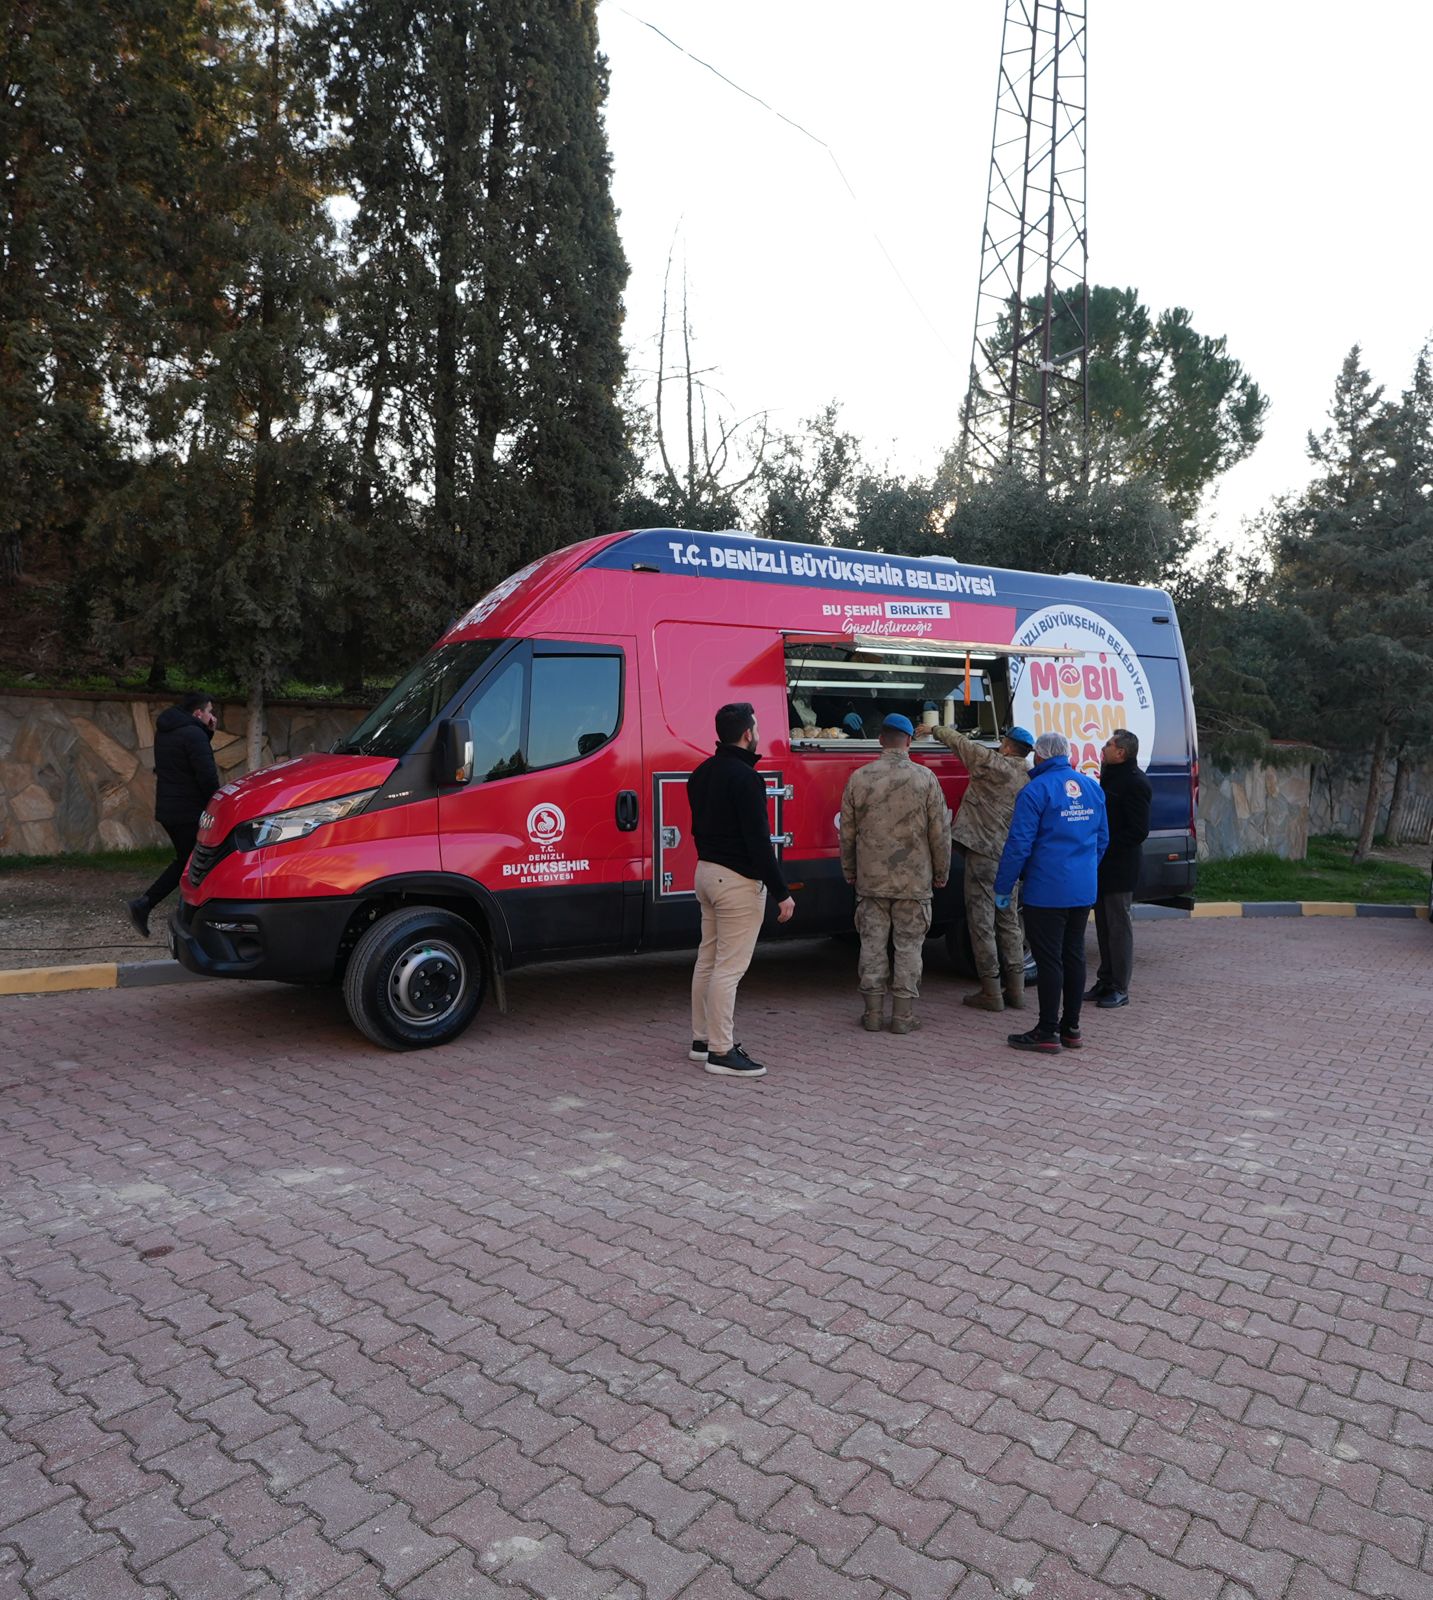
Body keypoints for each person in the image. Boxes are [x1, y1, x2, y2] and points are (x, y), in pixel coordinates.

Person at [687, 703, 796, 1078]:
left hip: (705, 873)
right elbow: (758, 843)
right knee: (729, 969)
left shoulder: (700, 773)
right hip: (737, 882)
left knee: (708, 959)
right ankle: (721, 1050)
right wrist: (782, 891)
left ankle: (701, 1041)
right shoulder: (747, 778)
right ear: (748, 733)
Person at [993, 730, 1107, 1053]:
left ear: (1040, 757)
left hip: (1046, 891)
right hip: (1082, 890)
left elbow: (1018, 846)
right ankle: (1071, 1028)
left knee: (1049, 961)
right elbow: (1102, 839)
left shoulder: (1035, 791)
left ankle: (1046, 1030)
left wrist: (1004, 886)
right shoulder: (1091, 788)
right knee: (1074, 955)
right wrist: (1083, 870)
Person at [840, 713, 952, 1034]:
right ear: (909, 741)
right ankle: (903, 1016)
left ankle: (873, 1013)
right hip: (913, 882)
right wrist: (941, 872)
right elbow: (939, 832)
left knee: (872, 945)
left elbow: (847, 833)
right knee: (908, 947)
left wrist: (850, 869)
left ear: (880, 740)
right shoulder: (925, 779)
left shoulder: (859, 778)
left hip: (871, 881)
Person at [933, 721, 1033, 1011]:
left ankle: (991, 991)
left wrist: (935, 729)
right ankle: (1016, 990)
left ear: (1008, 745)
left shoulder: (992, 764)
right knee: (1009, 921)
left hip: (984, 856)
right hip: (1010, 859)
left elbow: (961, 743)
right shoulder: (1028, 774)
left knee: (981, 923)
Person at [126, 691, 220, 938]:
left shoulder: (168, 731)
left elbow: (184, 759)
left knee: (188, 862)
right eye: (210, 711)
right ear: (198, 713)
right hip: (189, 810)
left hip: (170, 809)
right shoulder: (193, 734)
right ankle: (157, 908)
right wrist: (217, 805)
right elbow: (206, 774)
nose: (212, 716)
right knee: (199, 864)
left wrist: (207, 733)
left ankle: (148, 905)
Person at [1087, 728, 1152, 1010]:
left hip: (1120, 867)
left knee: (1118, 927)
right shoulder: (1110, 776)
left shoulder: (1136, 783)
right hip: (1101, 865)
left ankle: (1120, 987)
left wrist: (1105, 846)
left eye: (1108, 745)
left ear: (1121, 753)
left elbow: (1137, 831)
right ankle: (1105, 980)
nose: (1103, 748)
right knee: (1103, 925)